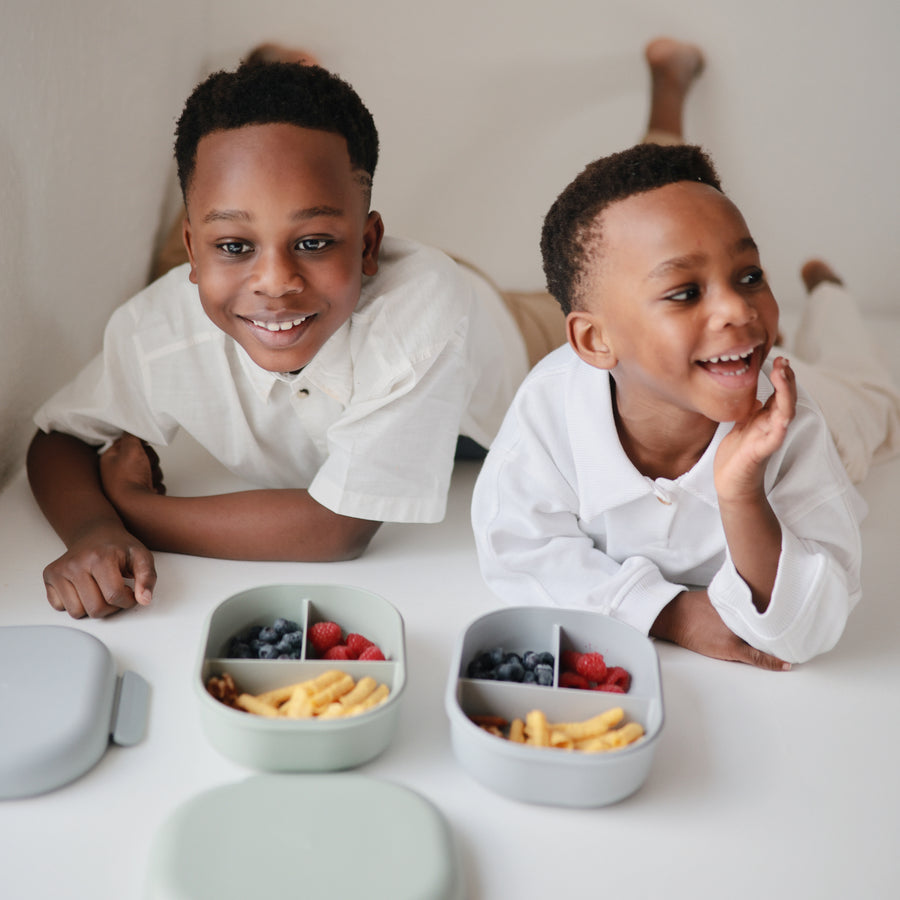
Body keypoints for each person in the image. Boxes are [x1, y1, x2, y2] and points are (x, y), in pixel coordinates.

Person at [27, 39, 704, 619]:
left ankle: (668, 91)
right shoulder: (160, 325)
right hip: (332, 305)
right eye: (233, 247)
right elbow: (57, 437)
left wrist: (130, 510)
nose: (274, 280)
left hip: (495, 343)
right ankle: (269, 109)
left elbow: (336, 530)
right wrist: (90, 530)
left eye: (315, 240)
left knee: (632, 239)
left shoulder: (425, 322)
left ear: (369, 242)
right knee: (218, 283)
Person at [471, 141, 885, 670]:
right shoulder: (549, 408)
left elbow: (809, 627)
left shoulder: (794, 424)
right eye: (686, 292)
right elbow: (515, 550)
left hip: (820, 402)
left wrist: (741, 496)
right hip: (730, 361)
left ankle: (830, 295)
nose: (737, 306)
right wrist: (669, 612)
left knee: (872, 390)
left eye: (750, 275)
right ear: (596, 341)